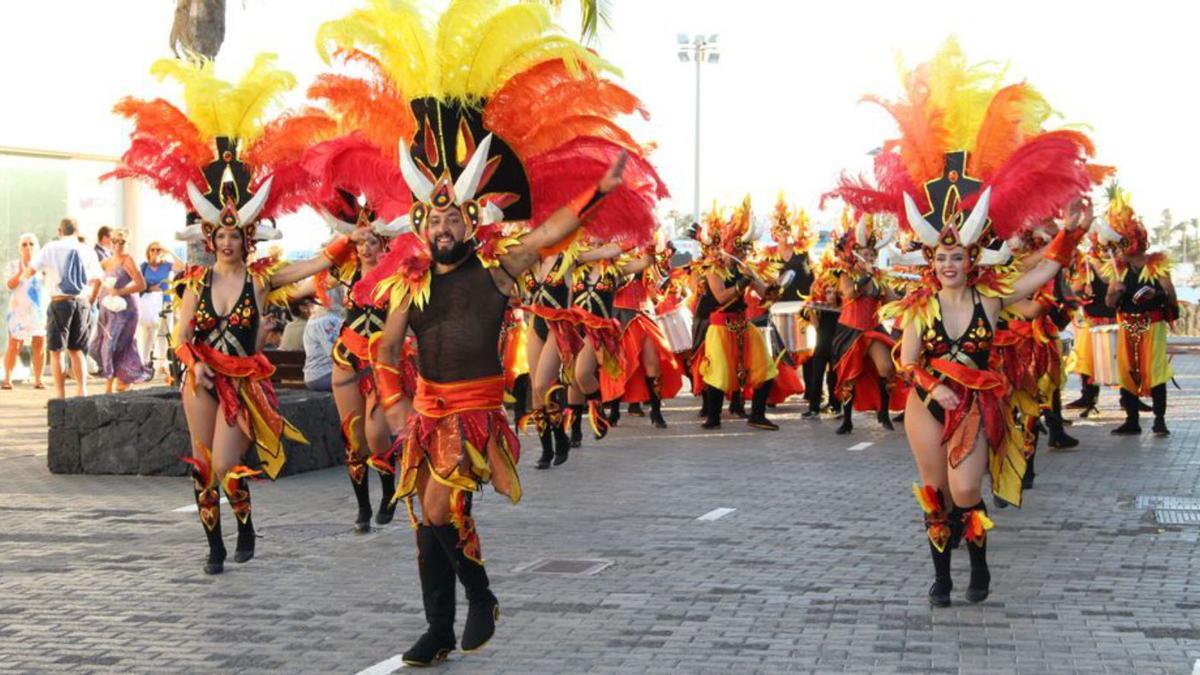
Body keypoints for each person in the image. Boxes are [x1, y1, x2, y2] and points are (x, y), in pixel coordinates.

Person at [328, 0, 665, 663]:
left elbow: (548, 232)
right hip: (425, 414)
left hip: (475, 413)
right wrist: (395, 403)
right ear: (421, 224)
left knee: (434, 510)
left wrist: (598, 193)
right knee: (429, 526)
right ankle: (438, 627)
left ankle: (482, 595)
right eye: (433, 217)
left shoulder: (499, 267)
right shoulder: (412, 281)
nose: (444, 226)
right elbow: (386, 347)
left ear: (469, 219)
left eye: (453, 217)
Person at [830, 39, 1102, 607]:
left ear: (969, 259)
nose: (949, 262)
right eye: (940, 256)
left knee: (965, 488)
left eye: (957, 255)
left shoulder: (993, 296)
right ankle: (942, 577)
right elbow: (906, 360)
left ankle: (978, 563)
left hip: (978, 402)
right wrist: (933, 387)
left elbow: (1042, 271)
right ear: (931, 260)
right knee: (935, 493)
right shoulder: (919, 306)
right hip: (928, 403)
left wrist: (1071, 230)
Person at [106, 53, 342, 575]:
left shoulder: (260, 281)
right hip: (201, 375)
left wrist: (347, 243)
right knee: (201, 464)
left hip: (241, 382)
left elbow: (314, 263)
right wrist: (194, 364)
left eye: (237, 235)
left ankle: (245, 524)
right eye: (222, 235)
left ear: (247, 238)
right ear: (210, 239)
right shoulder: (195, 279)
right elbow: (182, 334)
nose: (229, 242)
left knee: (227, 464)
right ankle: (214, 546)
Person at [692, 198, 782, 431]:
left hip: (744, 325)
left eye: (743, 247)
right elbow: (721, 297)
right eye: (738, 247)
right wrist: (742, 284)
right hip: (720, 327)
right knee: (719, 373)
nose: (742, 251)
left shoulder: (746, 269)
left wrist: (773, 290)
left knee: (766, 368)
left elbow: (765, 297)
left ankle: (757, 415)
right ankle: (713, 417)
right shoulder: (713, 269)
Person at [1096, 186, 1175, 436]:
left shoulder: (1156, 265)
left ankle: (1159, 419)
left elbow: (1171, 296)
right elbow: (1109, 303)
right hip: (1128, 323)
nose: (1119, 248)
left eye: (1123, 242)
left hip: (1152, 324)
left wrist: (1158, 294)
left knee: (1155, 369)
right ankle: (1132, 420)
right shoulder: (1116, 269)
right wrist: (1115, 291)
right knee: (1128, 369)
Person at [30, 217, 103, 399]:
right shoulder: (87, 250)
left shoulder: (51, 247)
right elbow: (98, 279)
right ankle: (82, 392)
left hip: (60, 301)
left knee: (56, 351)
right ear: (77, 232)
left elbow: (31, 270)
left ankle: (60, 395)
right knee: (76, 350)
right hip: (82, 302)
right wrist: (92, 299)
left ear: (59, 231)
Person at [89, 228, 150, 392]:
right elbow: (97, 280)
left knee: (111, 344)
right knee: (97, 345)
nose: (117, 244)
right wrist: (92, 298)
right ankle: (121, 378)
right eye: (114, 240)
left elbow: (141, 284)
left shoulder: (128, 260)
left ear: (128, 244)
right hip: (107, 310)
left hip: (125, 310)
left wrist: (119, 292)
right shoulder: (107, 261)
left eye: (121, 241)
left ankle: (110, 384)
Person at [4, 233, 47, 389]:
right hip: (18, 310)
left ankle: (38, 379)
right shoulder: (13, 265)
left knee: (39, 343)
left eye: (31, 244)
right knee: (14, 344)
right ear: (19, 248)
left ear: (37, 247)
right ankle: (7, 378)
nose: (28, 247)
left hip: (37, 311)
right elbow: (9, 285)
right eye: (24, 244)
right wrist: (20, 272)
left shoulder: (43, 266)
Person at [137, 241, 183, 376]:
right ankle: (145, 361)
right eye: (153, 250)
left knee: (164, 333)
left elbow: (183, 267)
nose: (155, 252)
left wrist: (169, 251)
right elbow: (138, 283)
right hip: (149, 303)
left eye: (158, 250)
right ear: (148, 251)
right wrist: (150, 288)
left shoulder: (166, 265)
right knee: (148, 332)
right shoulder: (144, 267)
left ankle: (161, 364)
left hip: (165, 302)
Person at [302, 286, 343, 392]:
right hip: (324, 375)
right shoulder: (327, 320)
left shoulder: (315, 319)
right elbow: (336, 353)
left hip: (314, 375)